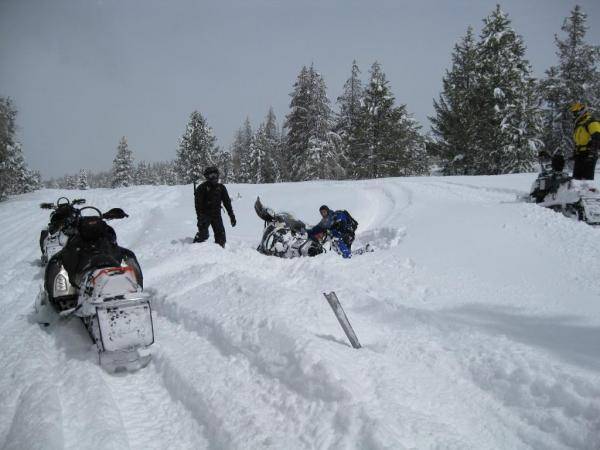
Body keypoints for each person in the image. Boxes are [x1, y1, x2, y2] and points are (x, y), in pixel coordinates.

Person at [194, 166, 236, 247]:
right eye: (211, 175)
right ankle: (193, 249)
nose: (213, 177)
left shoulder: (221, 188)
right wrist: (200, 218)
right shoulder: (201, 188)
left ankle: (219, 254)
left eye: (215, 175)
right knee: (203, 235)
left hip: (217, 215)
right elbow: (198, 206)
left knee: (221, 238)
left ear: (218, 175)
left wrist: (232, 215)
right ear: (207, 177)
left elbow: (227, 203)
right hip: (205, 215)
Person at [570, 102, 600, 180]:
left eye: (575, 113)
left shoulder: (591, 122)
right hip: (580, 154)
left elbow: (597, 137)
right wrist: (575, 152)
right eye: (573, 113)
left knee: (586, 181)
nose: (574, 115)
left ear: (581, 111)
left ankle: (589, 192)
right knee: (576, 180)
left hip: (589, 154)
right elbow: (579, 141)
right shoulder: (579, 124)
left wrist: (593, 153)